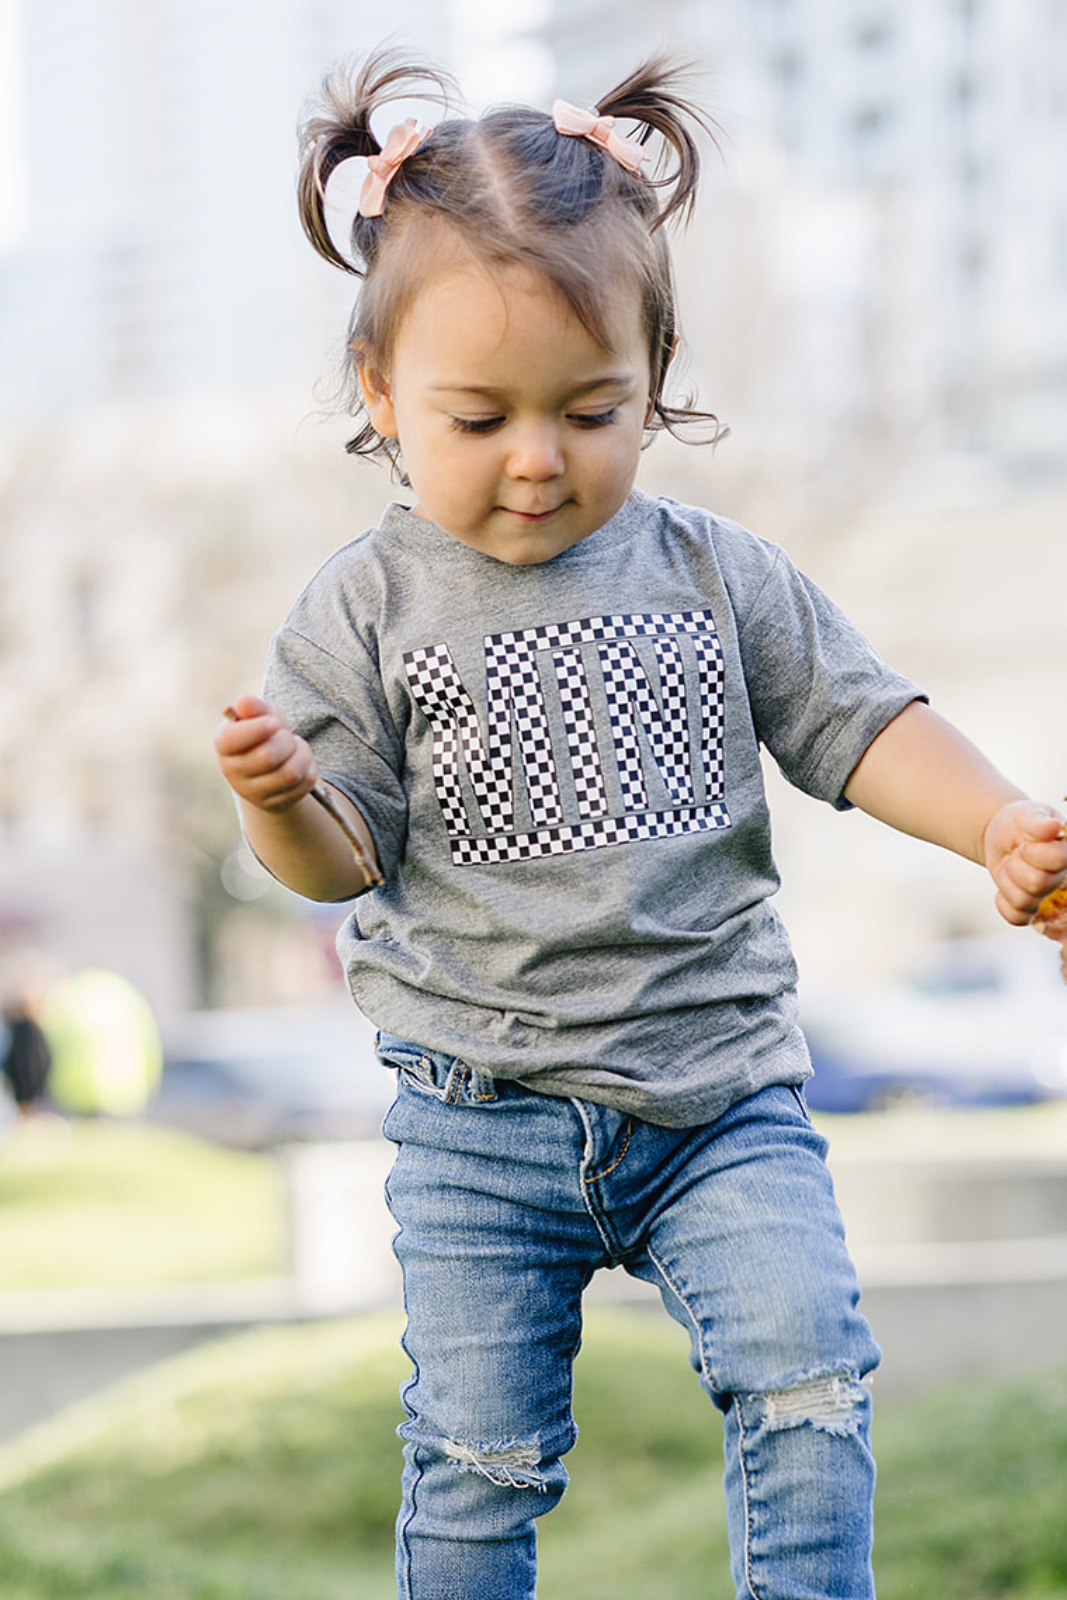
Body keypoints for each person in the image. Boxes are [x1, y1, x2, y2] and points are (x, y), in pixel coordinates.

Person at [215, 48, 1067, 1600]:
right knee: (476, 1460)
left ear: (653, 375)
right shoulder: (366, 608)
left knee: (809, 1381)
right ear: (382, 394)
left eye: (591, 408)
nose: (538, 457)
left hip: (720, 1097)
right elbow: (340, 862)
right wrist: (285, 807)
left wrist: (995, 819)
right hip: (480, 1117)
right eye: (479, 417)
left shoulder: (714, 574)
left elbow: (861, 724)